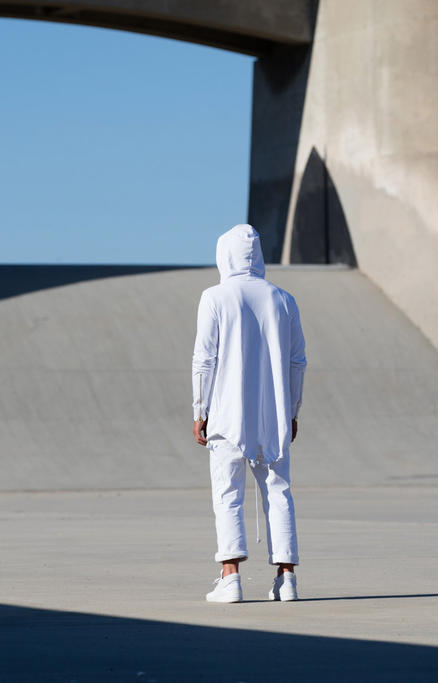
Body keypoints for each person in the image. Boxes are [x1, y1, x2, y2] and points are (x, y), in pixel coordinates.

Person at [191, 224, 307, 603]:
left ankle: (231, 578)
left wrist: (200, 409)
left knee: (228, 493)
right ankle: (287, 579)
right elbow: (297, 362)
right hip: (273, 414)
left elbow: (204, 360)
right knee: (279, 492)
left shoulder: (215, 297)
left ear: (224, 254)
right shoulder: (284, 300)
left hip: (226, 414)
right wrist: (292, 410)